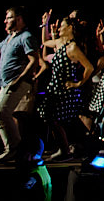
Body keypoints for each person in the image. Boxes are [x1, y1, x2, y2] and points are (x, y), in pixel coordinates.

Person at [39, 16, 98, 161]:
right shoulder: (60, 43)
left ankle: (69, 149)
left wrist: (78, 83)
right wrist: (45, 24)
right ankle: (65, 149)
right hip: (55, 87)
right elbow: (45, 42)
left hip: (65, 90)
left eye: (62, 26)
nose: (59, 28)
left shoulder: (73, 47)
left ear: (70, 28)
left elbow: (89, 67)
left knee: (57, 119)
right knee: (50, 118)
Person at [0, 8, 41, 162]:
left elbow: (34, 60)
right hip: (6, 83)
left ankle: (13, 148)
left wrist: (19, 80)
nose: (5, 21)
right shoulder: (9, 38)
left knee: (1, 114)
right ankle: (16, 148)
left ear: (19, 19)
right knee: (1, 115)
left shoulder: (26, 37)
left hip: (17, 82)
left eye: (9, 17)